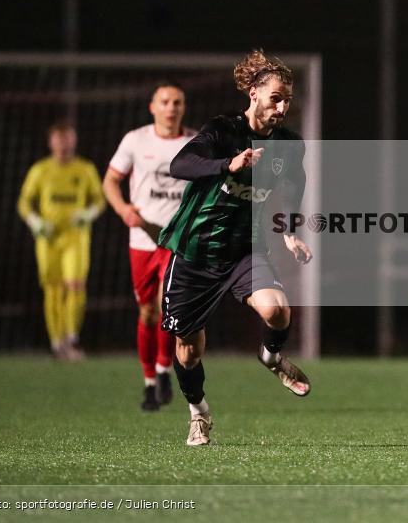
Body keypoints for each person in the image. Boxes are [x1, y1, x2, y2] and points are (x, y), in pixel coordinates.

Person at [158, 49, 312, 446]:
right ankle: (199, 413)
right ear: (254, 94)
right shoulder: (223, 130)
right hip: (195, 252)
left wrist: (290, 231)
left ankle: (271, 357)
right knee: (189, 351)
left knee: (277, 311)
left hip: (244, 250)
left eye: (287, 100)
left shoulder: (289, 145)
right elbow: (180, 165)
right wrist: (227, 164)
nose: (282, 107)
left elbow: (295, 182)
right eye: (275, 98)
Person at [103, 82, 196, 411]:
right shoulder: (135, 140)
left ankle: (162, 370)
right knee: (147, 312)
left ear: (183, 107)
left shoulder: (196, 143)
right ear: (152, 107)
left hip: (177, 242)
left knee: (167, 309)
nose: (171, 107)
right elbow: (110, 181)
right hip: (142, 240)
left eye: (177, 102)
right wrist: (123, 209)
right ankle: (148, 381)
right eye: (165, 102)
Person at [17, 119, 105, 360]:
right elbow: (24, 202)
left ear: (74, 141)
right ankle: (57, 342)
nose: (63, 144)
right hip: (48, 239)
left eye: (67, 139)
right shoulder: (40, 170)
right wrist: (35, 221)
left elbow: (99, 199)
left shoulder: (85, 169)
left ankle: (71, 337)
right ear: (51, 143)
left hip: (76, 238)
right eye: (59, 140)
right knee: (53, 290)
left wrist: (88, 213)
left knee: (75, 286)